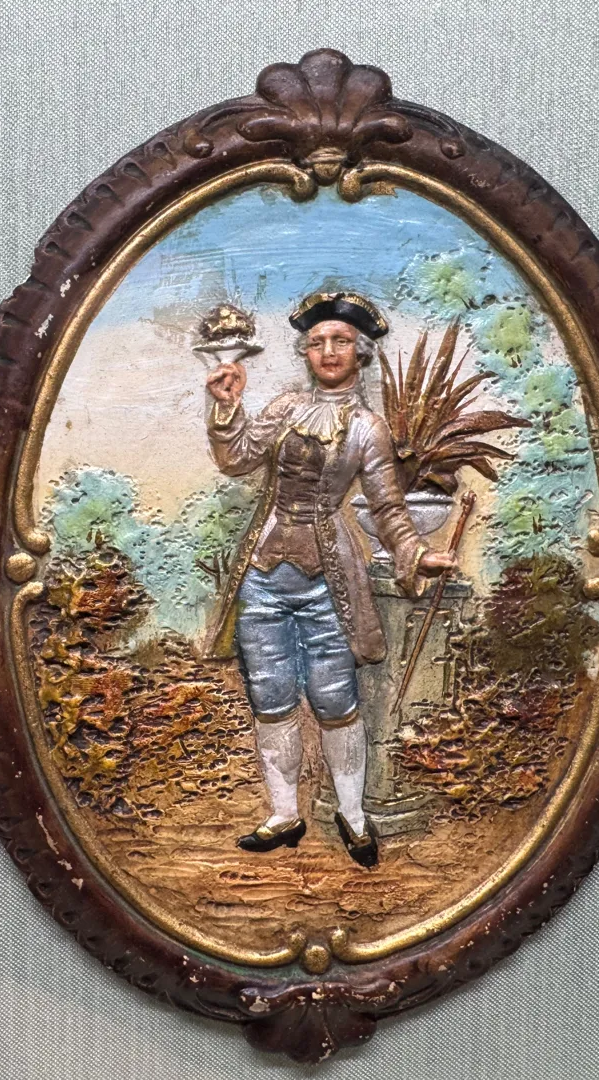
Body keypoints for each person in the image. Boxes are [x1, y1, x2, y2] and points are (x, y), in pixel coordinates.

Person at [202, 291, 455, 867]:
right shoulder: (286, 407)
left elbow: (387, 506)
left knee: (336, 697)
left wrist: (416, 552)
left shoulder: (367, 427)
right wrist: (227, 408)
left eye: (341, 341)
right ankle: (283, 814)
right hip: (263, 576)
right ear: (306, 353)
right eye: (317, 342)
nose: (329, 351)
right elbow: (237, 459)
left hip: (329, 582)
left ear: (360, 352)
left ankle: (354, 816)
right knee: (270, 695)